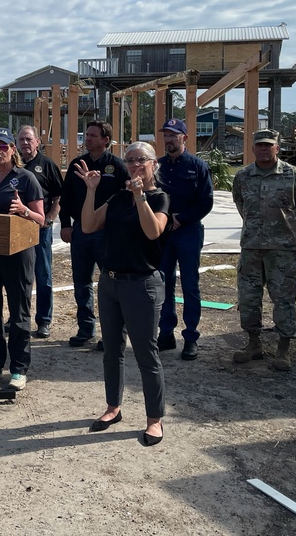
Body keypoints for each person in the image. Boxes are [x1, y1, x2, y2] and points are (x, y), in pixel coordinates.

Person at [76, 141, 169, 446]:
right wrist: (91, 190)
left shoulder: (159, 198)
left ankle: (154, 420)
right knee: (112, 350)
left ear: (153, 164)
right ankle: (113, 407)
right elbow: (88, 226)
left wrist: (140, 196)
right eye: (129, 161)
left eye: (140, 160)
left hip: (141, 284)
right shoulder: (117, 197)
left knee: (146, 353)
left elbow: (153, 231)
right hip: (110, 282)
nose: (133, 166)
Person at [231, 128, 296, 371]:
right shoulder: (243, 177)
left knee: (284, 299)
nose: (264, 149)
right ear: (253, 148)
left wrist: (285, 234)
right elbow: (241, 205)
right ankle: (253, 344)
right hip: (252, 248)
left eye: (269, 145)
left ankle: (283, 349)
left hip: (282, 250)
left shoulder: (293, 175)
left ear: (277, 148)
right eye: (260, 145)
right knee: (248, 298)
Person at [0, 128, 45, 391]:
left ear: (14, 150)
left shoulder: (26, 179)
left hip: (18, 254)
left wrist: (24, 210)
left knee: (18, 312)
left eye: (4, 147)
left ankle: (18, 368)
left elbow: (41, 219)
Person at [59, 121, 129, 347]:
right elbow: (66, 197)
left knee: (111, 283)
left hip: (107, 234)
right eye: (86, 135)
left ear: (105, 140)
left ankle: (112, 333)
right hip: (80, 232)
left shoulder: (117, 166)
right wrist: (65, 225)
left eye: (92, 135)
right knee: (82, 282)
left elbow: (125, 199)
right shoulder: (77, 165)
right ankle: (86, 329)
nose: (87, 139)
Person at [156, 118, 215, 360]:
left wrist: (182, 218)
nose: (169, 139)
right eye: (166, 135)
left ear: (184, 138)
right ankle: (166, 332)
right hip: (163, 233)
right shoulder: (157, 166)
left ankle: (190, 337)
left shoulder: (197, 166)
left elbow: (206, 201)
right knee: (163, 283)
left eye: (174, 135)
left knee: (190, 285)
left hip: (188, 231)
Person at [16, 125, 62, 338]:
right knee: (17, 277)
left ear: (37, 142)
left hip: (39, 228)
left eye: (28, 139)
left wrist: (50, 218)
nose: (25, 143)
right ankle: (17, 317)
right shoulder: (12, 164)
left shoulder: (46, 165)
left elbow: (59, 195)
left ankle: (44, 320)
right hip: (16, 230)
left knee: (42, 275)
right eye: (21, 139)